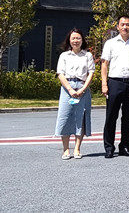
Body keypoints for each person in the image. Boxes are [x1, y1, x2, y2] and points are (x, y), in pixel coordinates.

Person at [101, 15, 129, 158]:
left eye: (128, 24)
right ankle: (109, 147)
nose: (125, 27)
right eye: (122, 24)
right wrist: (104, 84)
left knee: (128, 117)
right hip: (114, 83)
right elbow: (104, 64)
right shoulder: (110, 43)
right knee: (111, 116)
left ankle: (124, 146)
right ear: (117, 27)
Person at [54, 28, 95, 160]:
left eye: (78, 38)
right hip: (67, 88)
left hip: (82, 87)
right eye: (73, 38)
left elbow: (91, 73)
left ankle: (77, 148)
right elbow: (60, 74)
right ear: (69, 40)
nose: (76, 41)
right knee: (65, 117)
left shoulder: (87, 55)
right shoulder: (64, 56)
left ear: (82, 40)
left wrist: (83, 89)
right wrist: (70, 90)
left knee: (80, 118)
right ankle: (66, 149)